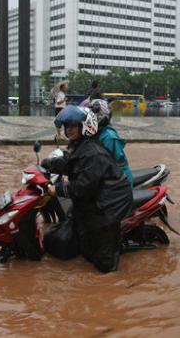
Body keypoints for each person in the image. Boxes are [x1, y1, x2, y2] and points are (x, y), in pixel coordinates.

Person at [50, 105, 133, 273]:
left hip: (108, 207)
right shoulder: (80, 146)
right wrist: (49, 165)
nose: (69, 130)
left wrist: (56, 189)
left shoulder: (93, 152)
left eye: (73, 126)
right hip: (96, 202)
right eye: (67, 126)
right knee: (86, 250)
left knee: (104, 263)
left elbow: (82, 187)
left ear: (84, 126)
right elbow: (72, 165)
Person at [84, 99, 134, 188]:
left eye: (93, 113)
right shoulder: (94, 133)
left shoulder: (108, 137)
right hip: (108, 177)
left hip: (119, 182)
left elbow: (107, 164)